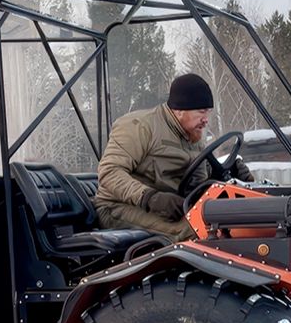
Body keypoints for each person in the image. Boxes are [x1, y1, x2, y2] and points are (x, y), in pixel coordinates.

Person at [93, 74, 253, 240]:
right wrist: (150, 197)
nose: (206, 120)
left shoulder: (193, 136)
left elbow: (197, 179)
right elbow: (109, 172)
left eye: (208, 112)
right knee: (199, 230)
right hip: (118, 207)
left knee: (228, 221)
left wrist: (227, 174)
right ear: (179, 110)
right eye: (201, 112)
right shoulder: (140, 127)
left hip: (172, 206)